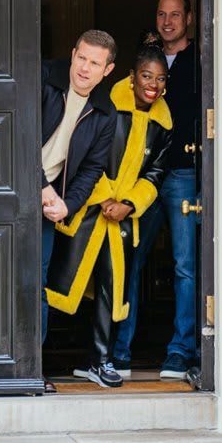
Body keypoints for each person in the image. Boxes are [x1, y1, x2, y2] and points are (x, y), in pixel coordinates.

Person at [46, 37, 172, 388]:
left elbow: (155, 174)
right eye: (147, 76)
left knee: (109, 288)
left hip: (121, 220)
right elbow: (86, 154)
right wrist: (102, 198)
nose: (153, 85)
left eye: (160, 79)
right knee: (59, 282)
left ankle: (99, 360)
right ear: (131, 76)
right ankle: (38, 358)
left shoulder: (164, 125)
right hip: (84, 209)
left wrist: (129, 204)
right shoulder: (105, 104)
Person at [111, 0, 201, 381]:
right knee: (129, 262)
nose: (168, 21)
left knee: (185, 266)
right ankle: (118, 353)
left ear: (189, 19)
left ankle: (180, 352)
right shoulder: (141, 62)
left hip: (182, 174)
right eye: (162, 14)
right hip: (140, 178)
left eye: (175, 15)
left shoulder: (202, 60)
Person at [40, 30, 118, 351]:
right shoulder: (43, 79)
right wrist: (41, 184)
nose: (84, 68)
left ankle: (31, 368)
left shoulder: (104, 112)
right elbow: (17, 134)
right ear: (72, 54)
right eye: (81, 58)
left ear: (107, 70)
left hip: (46, 206)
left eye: (95, 63)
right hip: (12, 189)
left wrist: (68, 206)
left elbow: (91, 170)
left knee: (35, 284)